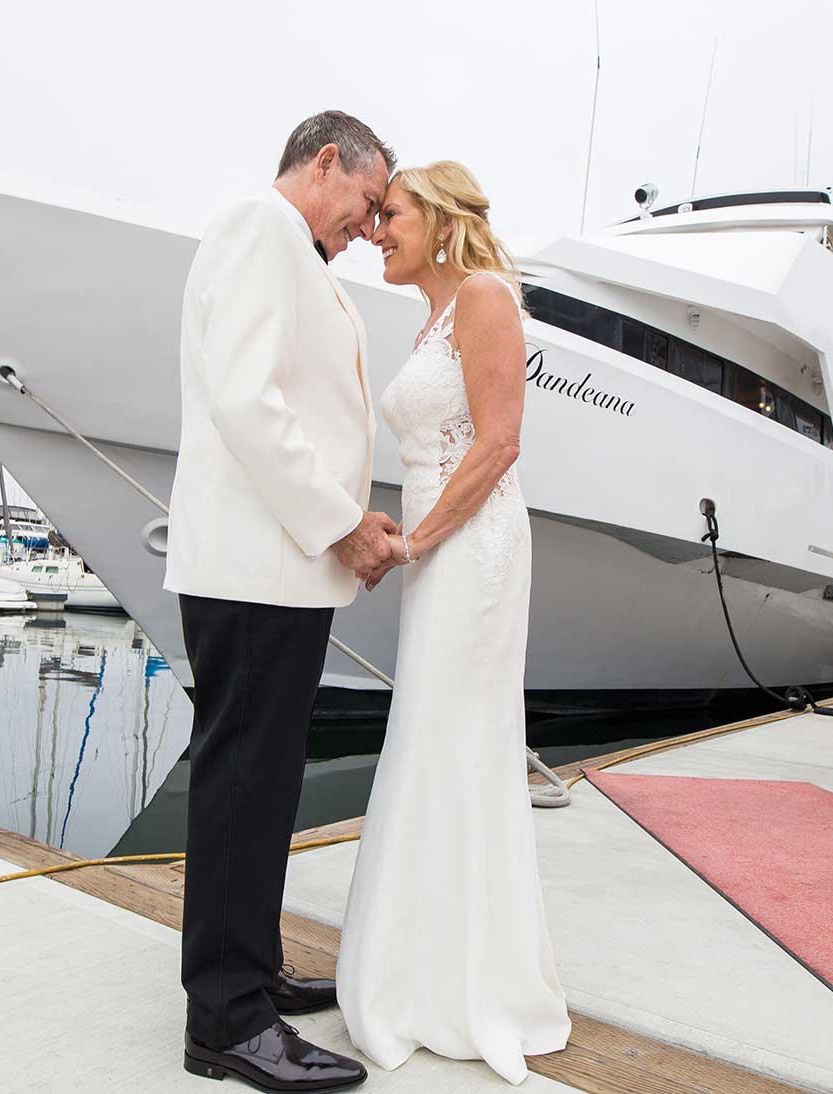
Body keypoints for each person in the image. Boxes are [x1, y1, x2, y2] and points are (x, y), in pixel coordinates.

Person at [163, 110, 396, 1091]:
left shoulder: (285, 246)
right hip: (259, 566)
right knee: (244, 784)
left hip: (273, 567)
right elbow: (248, 398)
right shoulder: (260, 227)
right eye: (367, 200)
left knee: (263, 781)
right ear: (326, 160)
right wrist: (342, 521)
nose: (371, 224)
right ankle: (225, 1017)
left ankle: (246, 973)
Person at [335, 162, 571, 1085]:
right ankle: (419, 970)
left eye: (389, 215)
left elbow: (501, 440)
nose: (376, 229)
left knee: (457, 742)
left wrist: (415, 543)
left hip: (470, 551)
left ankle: (466, 983)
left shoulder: (482, 296)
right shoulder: (434, 315)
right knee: (430, 742)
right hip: (440, 548)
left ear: (437, 219)